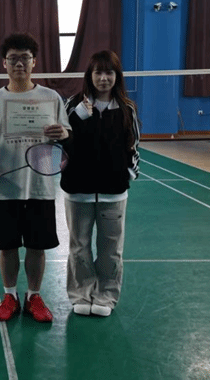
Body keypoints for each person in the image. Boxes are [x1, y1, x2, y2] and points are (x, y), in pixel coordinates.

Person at [0, 33, 71, 323]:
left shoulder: (51, 98)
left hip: (40, 187)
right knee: (8, 246)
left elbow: (68, 135)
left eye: (25, 58)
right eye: (13, 58)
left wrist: (64, 134)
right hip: (5, 188)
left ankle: (34, 296)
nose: (19, 64)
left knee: (37, 246)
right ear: (4, 63)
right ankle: (10, 296)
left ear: (34, 62)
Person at [61, 50, 140, 317]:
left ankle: (106, 296)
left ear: (117, 76)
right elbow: (63, 141)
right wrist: (79, 116)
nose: (104, 78)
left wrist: (125, 175)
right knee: (79, 247)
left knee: (111, 250)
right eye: (98, 72)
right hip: (77, 191)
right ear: (90, 75)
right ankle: (82, 293)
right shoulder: (73, 104)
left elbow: (133, 145)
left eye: (109, 72)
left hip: (113, 193)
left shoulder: (127, 109)